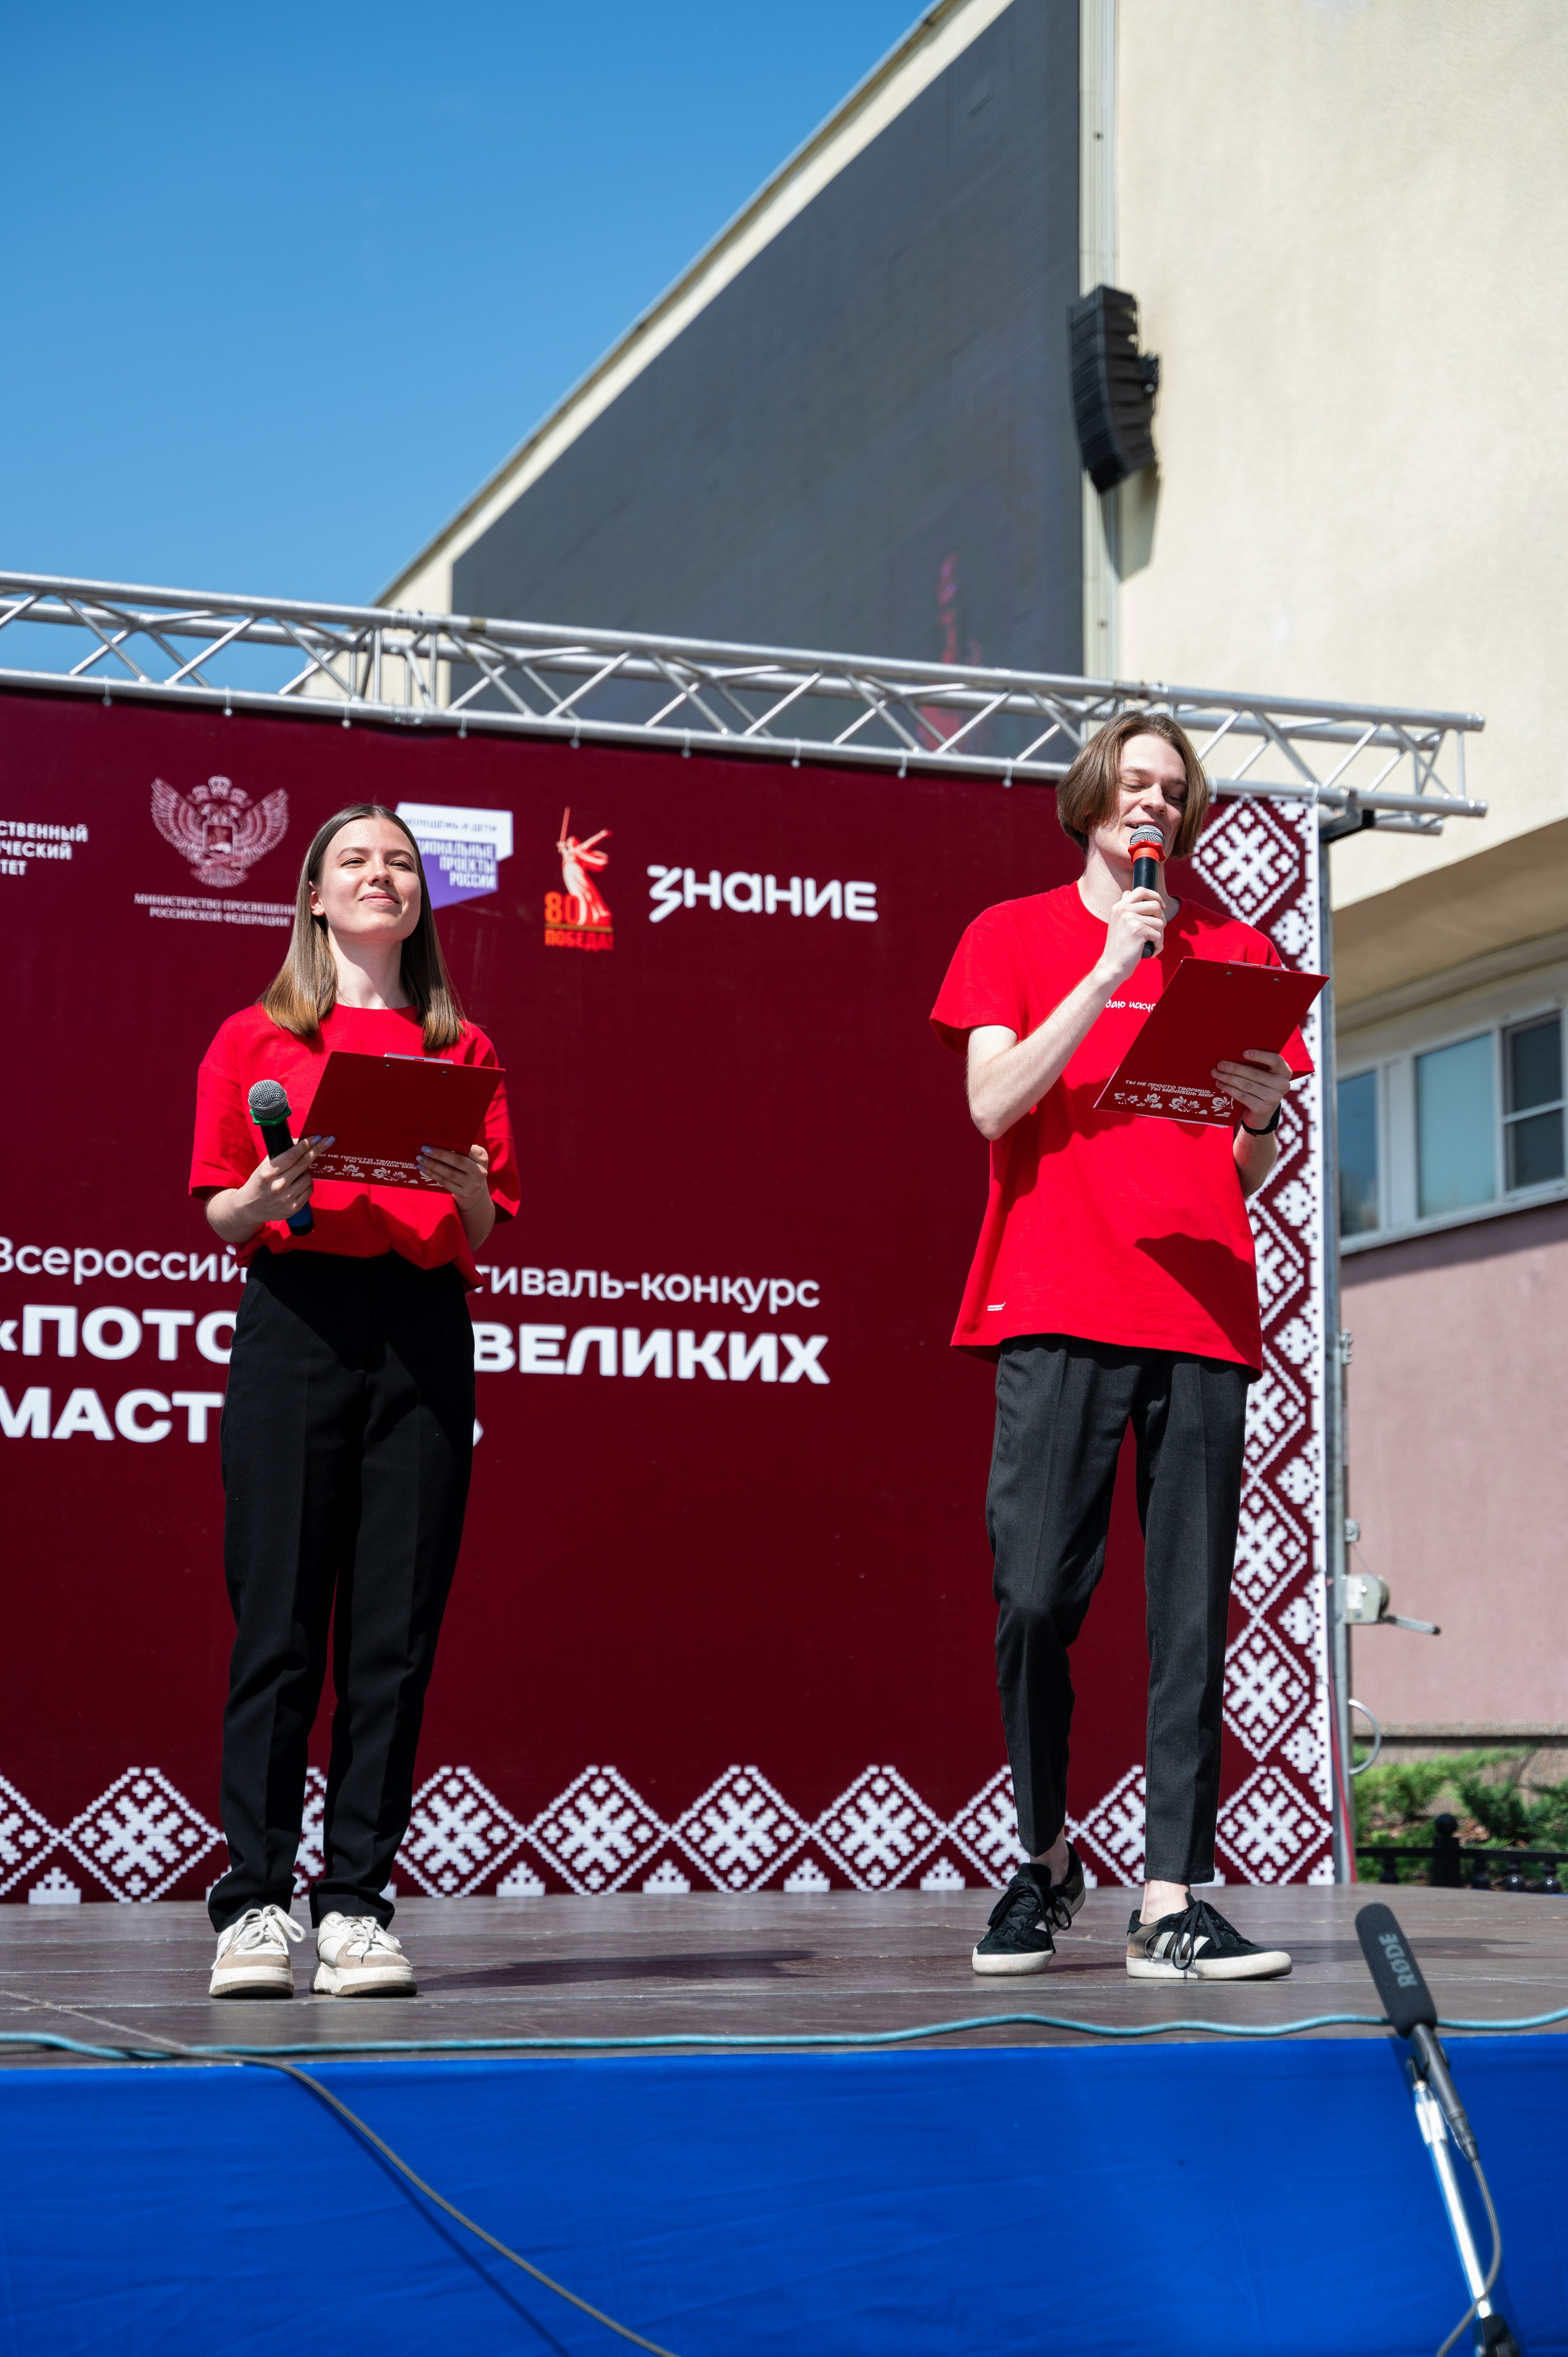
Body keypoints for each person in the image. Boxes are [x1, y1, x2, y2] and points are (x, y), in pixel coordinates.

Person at [930, 715, 1308, 1982]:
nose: (1152, 802)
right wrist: (1104, 970)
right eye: (1132, 782)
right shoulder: (1013, 934)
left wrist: (1259, 1120)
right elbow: (990, 1103)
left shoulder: (1236, 948)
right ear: (1088, 798)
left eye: (1172, 788)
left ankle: (1170, 1892)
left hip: (1198, 1306)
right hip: (1054, 1296)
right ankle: (1041, 1859)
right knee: (1035, 1592)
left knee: (1189, 1615)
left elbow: (1243, 1160)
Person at [189, 803, 519, 2000]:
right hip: (298, 1314)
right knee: (276, 1621)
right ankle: (255, 1903)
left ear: (421, 901)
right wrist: (270, 1188)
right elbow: (222, 1211)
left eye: (401, 864)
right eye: (356, 863)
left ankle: (360, 1903)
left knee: (392, 1634)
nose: (383, 876)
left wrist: (461, 1185)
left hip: (421, 1326)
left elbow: (484, 1226)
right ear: (315, 898)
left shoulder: (463, 1047)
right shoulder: (253, 1036)